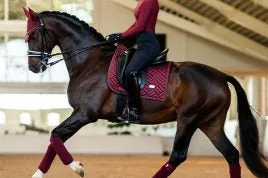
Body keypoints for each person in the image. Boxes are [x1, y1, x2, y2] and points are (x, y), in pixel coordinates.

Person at [106, 0, 160, 122]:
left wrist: (121, 36)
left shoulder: (149, 2)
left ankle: (135, 110)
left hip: (148, 45)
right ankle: (120, 108)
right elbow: (136, 23)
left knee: (130, 71)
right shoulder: (142, 1)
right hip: (141, 44)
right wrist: (120, 35)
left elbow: (140, 27)